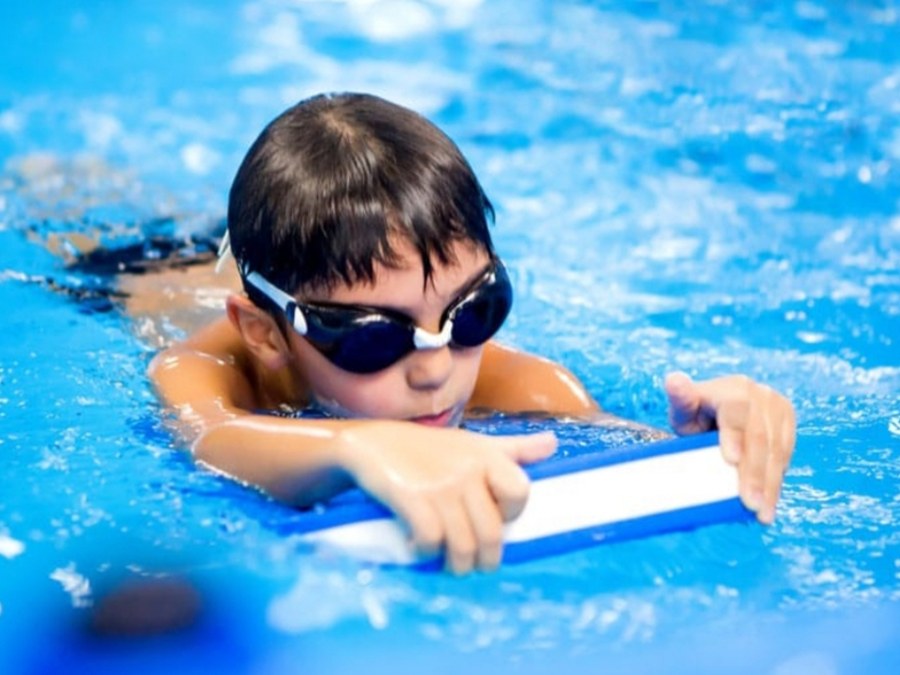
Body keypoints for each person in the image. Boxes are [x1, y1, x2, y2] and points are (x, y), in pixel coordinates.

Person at [149, 92, 796, 575]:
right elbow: (210, 437)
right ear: (264, 334)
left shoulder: (526, 383)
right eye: (374, 338)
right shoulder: (206, 365)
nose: (435, 369)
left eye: (473, 312)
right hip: (136, 270)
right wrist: (361, 446)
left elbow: (631, 458)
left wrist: (716, 436)